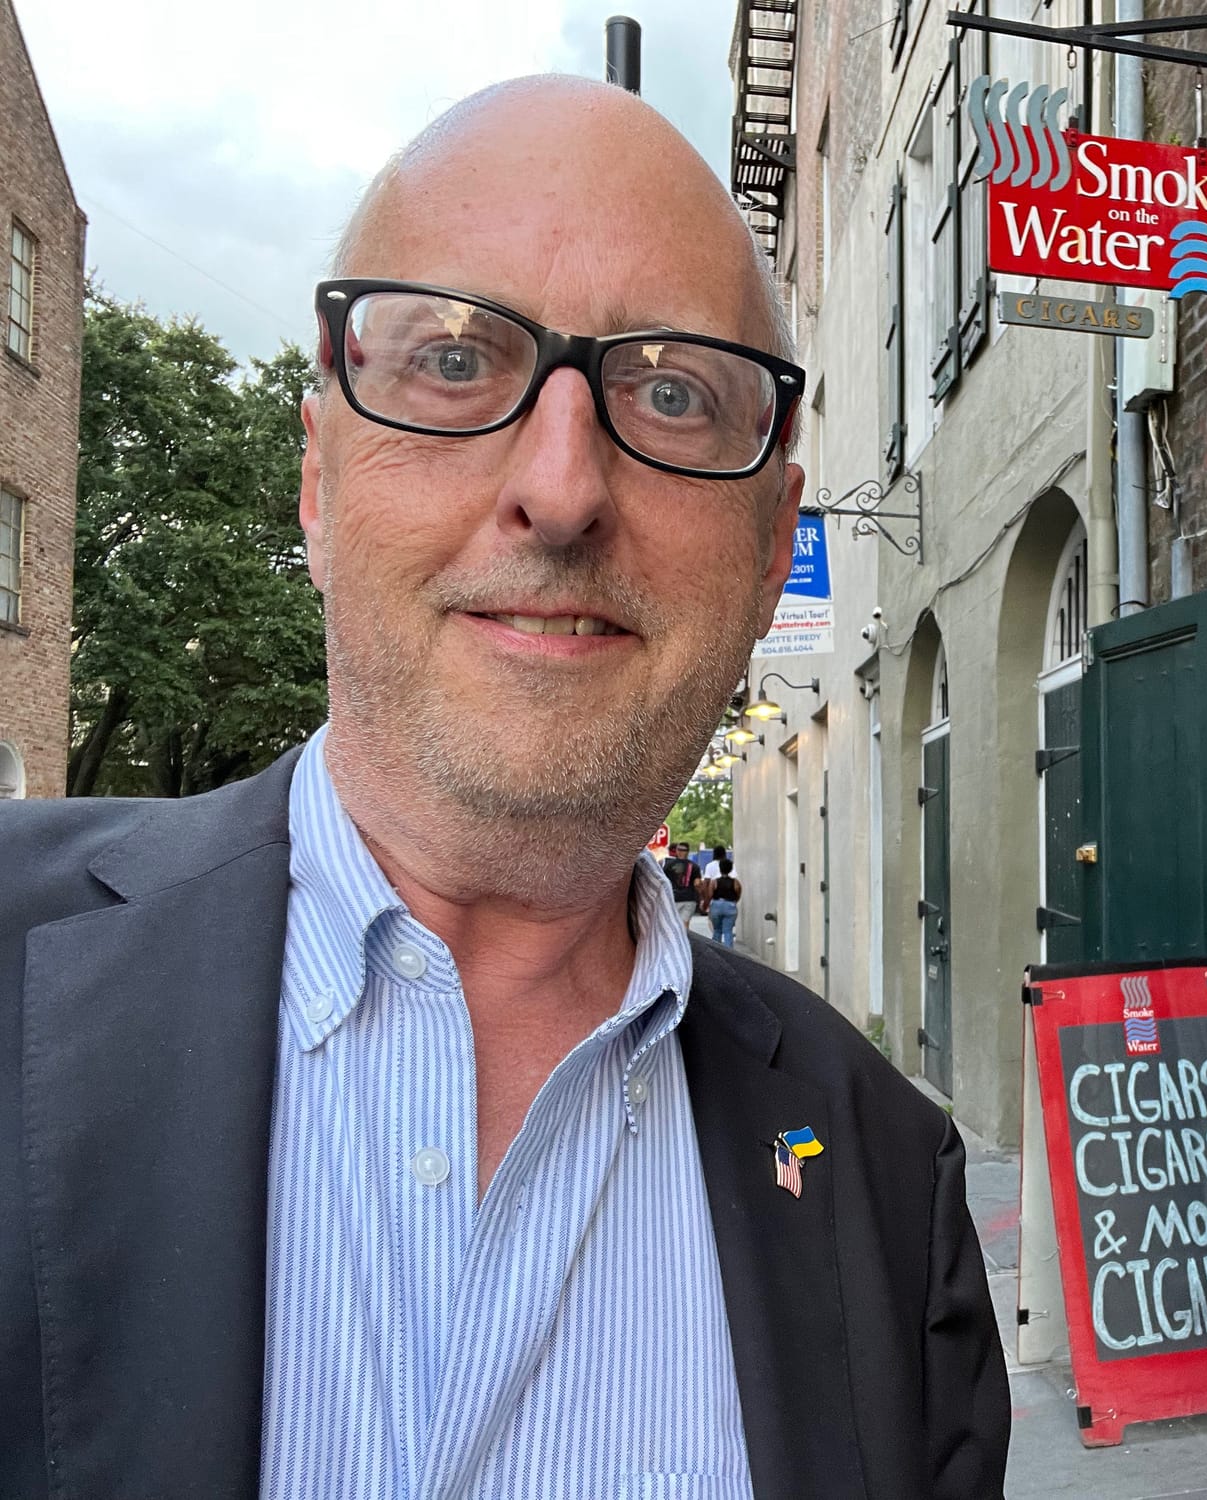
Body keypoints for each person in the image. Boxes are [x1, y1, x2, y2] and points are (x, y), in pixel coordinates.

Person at [0, 77, 1007, 1500]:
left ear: (778, 541)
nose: (561, 485)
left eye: (672, 393)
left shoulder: (887, 1191)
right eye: (456, 363)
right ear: (317, 478)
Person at [662, 839, 704, 928]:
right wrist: (701, 897)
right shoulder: (694, 866)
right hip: (689, 899)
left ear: (677, 851)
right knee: (685, 924)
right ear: (688, 852)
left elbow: (663, 881)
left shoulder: (669, 865)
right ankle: (685, 940)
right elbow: (697, 884)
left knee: (673, 924)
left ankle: (675, 941)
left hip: (673, 898)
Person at [707, 858, 743, 948]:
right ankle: (729, 952)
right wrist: (734, 901)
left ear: (720, 868)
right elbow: (738, 893)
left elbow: (710, 894)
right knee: (728, 931)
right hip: (730, 906)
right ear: (730, 869)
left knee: (717, 930)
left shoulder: (714, 882)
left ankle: (716, 949)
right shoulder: (735, 882)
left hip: (716, 905)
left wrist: (706, 905)